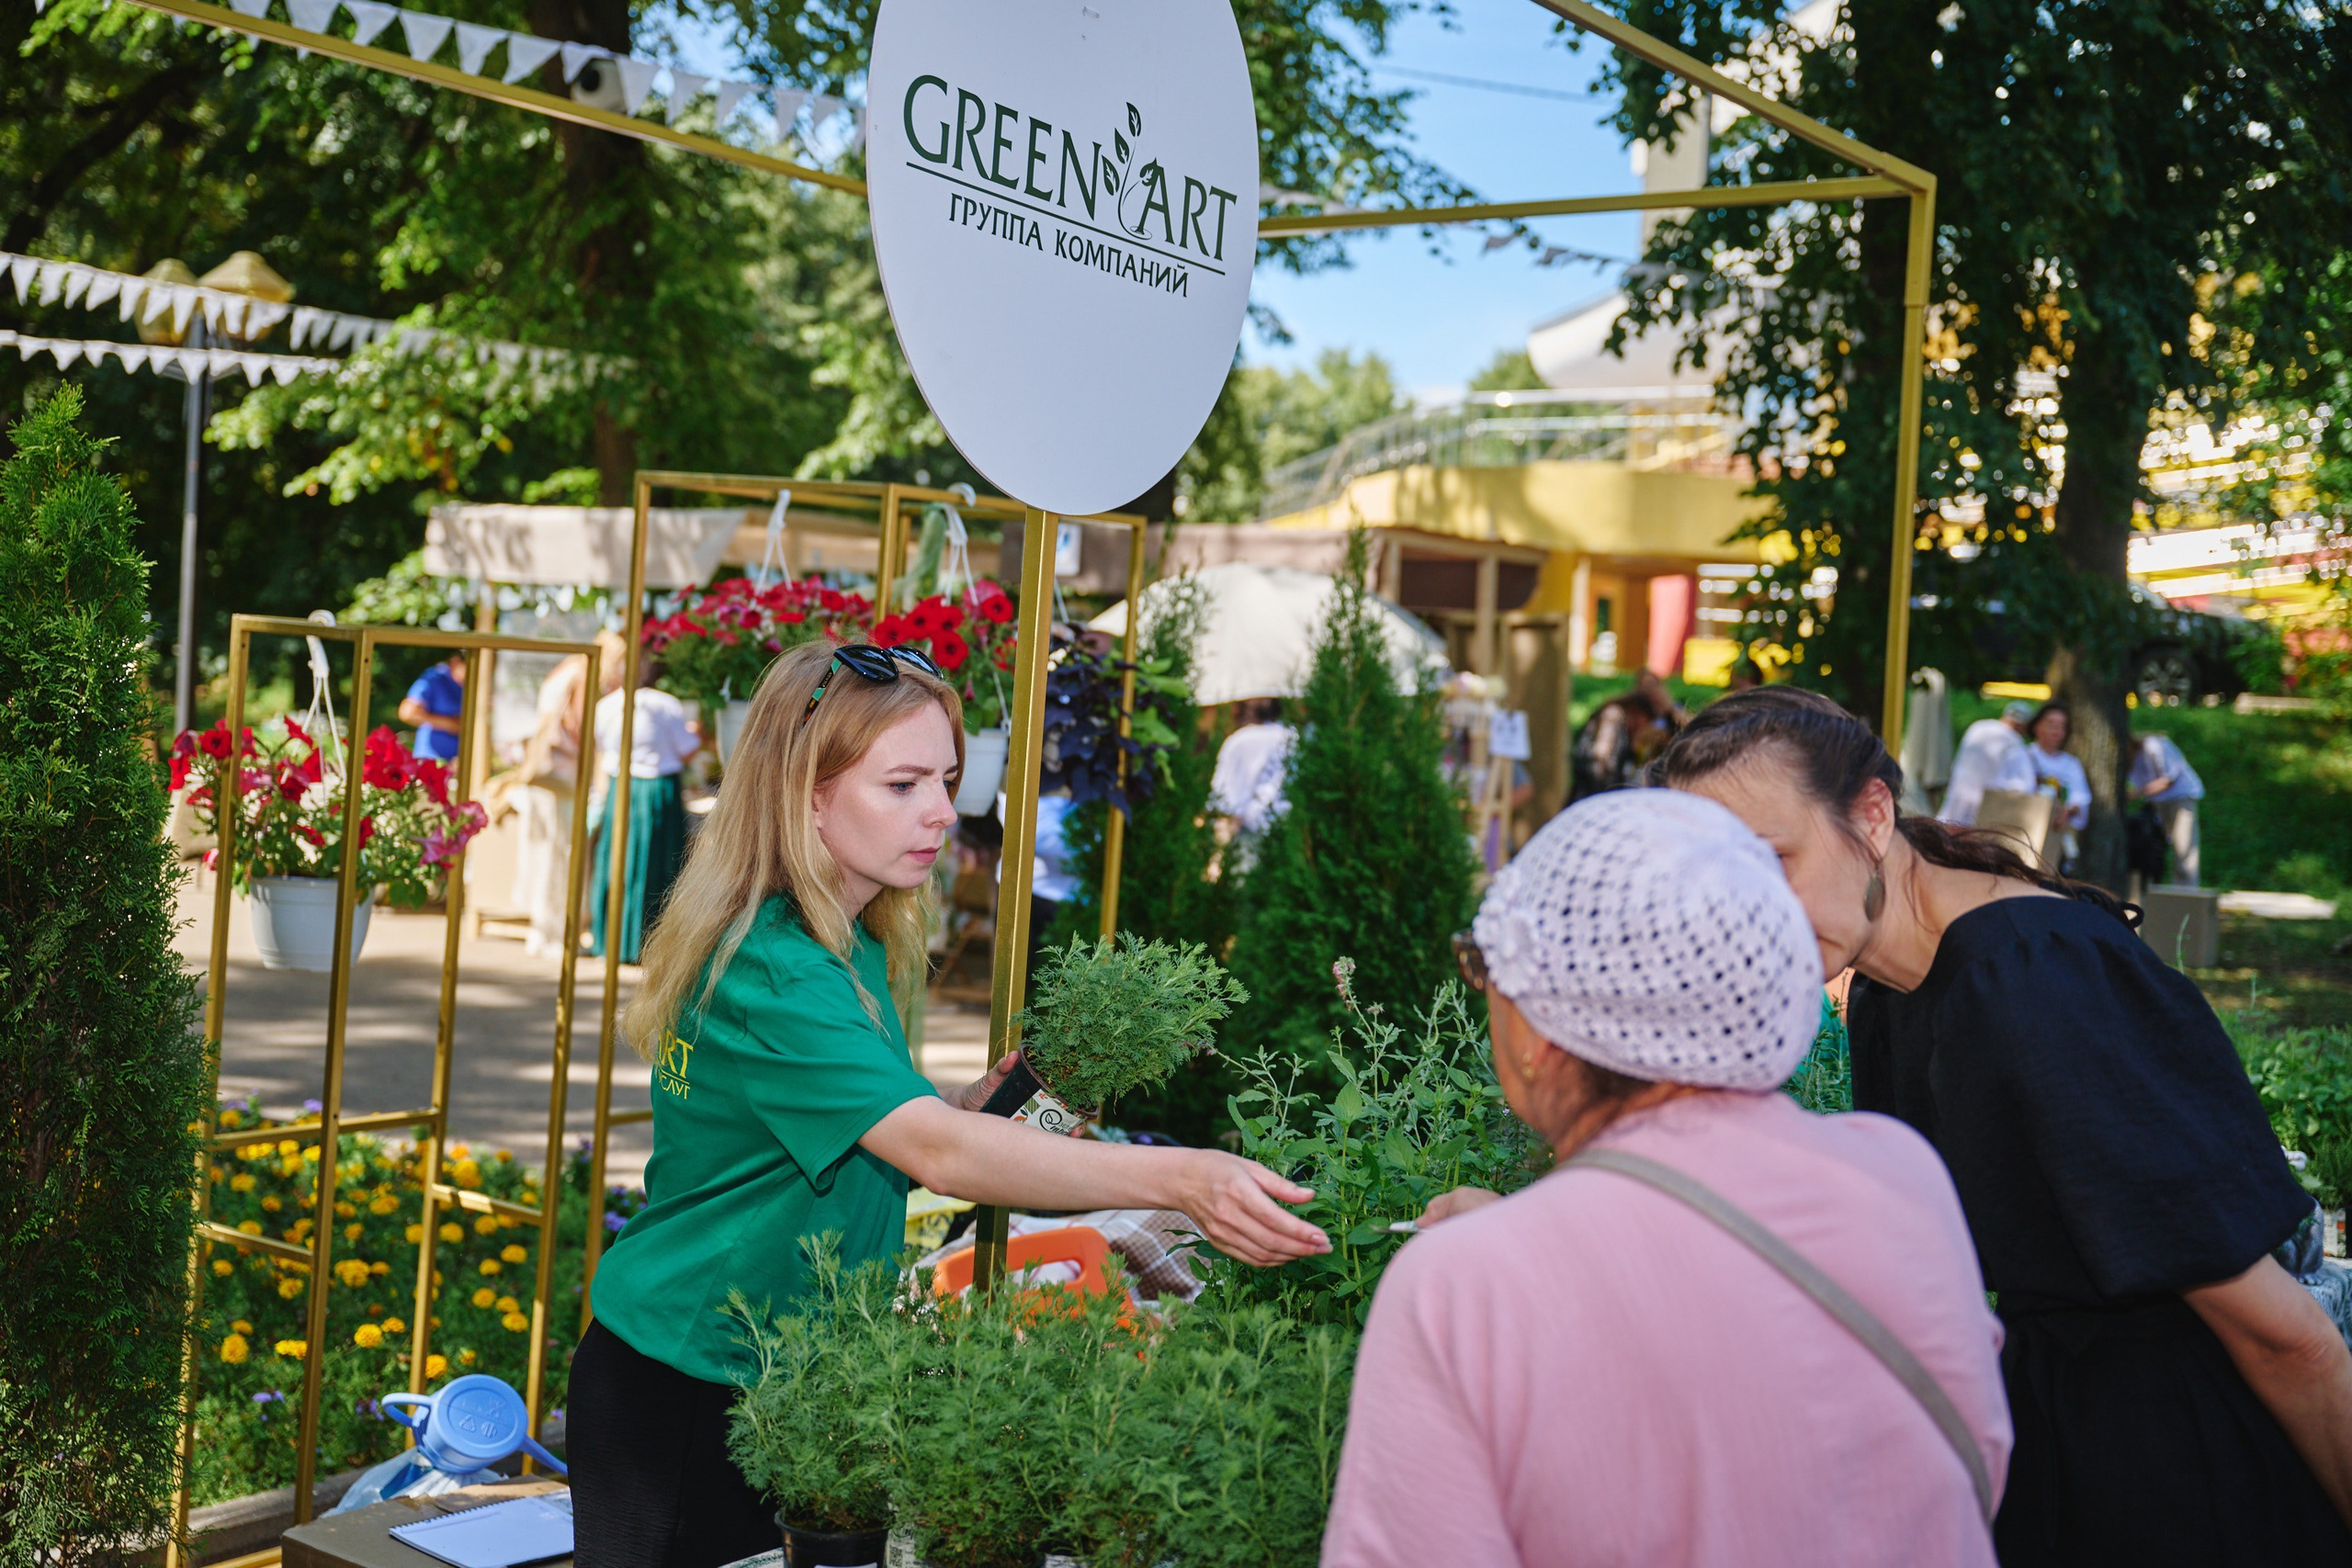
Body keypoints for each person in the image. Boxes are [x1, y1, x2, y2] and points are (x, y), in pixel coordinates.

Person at [566, 639, 1329, 1568]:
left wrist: (961, 1101)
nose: (943, 811)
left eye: (948, 778)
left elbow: (861, 1117)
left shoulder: (833, 938)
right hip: (690, 1383)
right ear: (807, 793)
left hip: (773, 1371)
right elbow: (937, 1155)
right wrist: (1184, 1177)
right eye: (902, 785)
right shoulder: (778, 967)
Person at [1652, 686, 2352, 1565]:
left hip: (2176, 1474)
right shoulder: (1885, 990)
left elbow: (2285, 1333)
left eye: (1771, 861)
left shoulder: (2036, 982)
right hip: (2053, 1451)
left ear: (1871, 816)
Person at [1325, 790, 2009, 1568]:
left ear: (1539, 1034)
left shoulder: (1462, 1291)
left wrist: (1504, 1255)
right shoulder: (1901, 1178)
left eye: (1486, 967)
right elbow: (1972, 1468)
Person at [588, 657, 700, 964]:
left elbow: (600, 744)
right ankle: (647, 946)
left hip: (620, 787)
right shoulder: (666, 705)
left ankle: (608, 940)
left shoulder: (607, 705)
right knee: (657, 865)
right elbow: (687, 748)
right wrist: (698, 732)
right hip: (655, 791)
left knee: (616, 862)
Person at [1567, 669, 1685, 801]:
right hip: (1592, 799)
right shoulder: (1613, 716)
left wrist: (1669, 708)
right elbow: (1601, 764)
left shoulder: (1620, 722)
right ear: (1639, 713)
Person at [1939, 699, 2035, 827]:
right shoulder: (2014, 741)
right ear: (2024, 726)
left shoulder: (1977, 727)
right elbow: (2026, 785)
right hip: (1986, 809)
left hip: (1957, 798)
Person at [2130, 727, 2205, 885]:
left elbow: (2169, 779)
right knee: (2153, 849)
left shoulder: (2154, 746)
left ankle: (2186, 897)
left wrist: (2137, 793)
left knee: (2184, 849)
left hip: (2181, 798)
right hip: (2157, 802)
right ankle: (2154, 891)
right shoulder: (2129, 760)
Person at [1209, 696, 1294, 836]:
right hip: (1287, 832)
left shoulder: (1239, 741)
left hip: (1245, 833)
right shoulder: (1291, 738)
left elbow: (1225, 800)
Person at [2025, 701, 2090, 869]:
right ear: (2037, 726)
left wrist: (2066, 811)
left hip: (2057, 834)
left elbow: (2081, 798)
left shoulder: (2071, 764)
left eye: (2062, 727)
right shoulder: (2024, 756)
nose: (2057, 732)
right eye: (2052, 725)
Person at [399, 651, 467, 761]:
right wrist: (452, 724)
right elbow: (407, 713)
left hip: (458, 762)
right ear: (456, 661)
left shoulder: (470, 685)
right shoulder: (435, 678)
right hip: (430, 760)